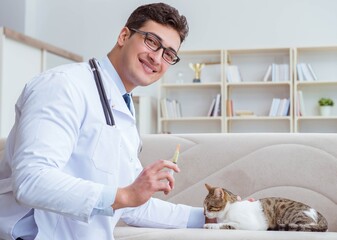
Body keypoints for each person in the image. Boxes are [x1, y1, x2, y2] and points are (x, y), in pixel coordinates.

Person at [0, 3, 206, 240]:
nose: (157, 58)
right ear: (124, 35)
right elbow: (31, 181)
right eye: (151, 41)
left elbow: (133, 202)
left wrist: (211, 216)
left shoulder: (122, 109)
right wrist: (125, 196)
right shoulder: (63, 86)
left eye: (168, 54)